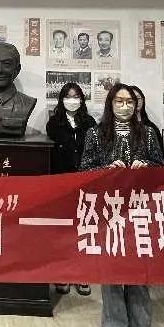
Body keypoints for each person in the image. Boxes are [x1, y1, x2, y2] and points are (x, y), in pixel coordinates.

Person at [80, 83, 162, 327]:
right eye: (119, 101)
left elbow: (162, 168)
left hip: (141, 211)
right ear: (110, 104)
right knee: (112, 272)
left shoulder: (148, 133)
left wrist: (147, 167)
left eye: (129, 102)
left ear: (136, 105)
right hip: (109, 211)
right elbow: (84, 169)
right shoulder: (95, 133)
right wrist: (106, 170)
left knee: (139, 274)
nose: (125, 106)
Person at [46, 82, 96, 296]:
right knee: (63, 230)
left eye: (76, 96)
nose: (72, 100)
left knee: (83, 229)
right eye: (68, 96)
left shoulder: (90, 122)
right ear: (62, 99)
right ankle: (62, 272)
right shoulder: (54, 123)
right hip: (61, 182)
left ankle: (81, 272)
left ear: (82, 100)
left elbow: (94, 151)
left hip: (85, 181)